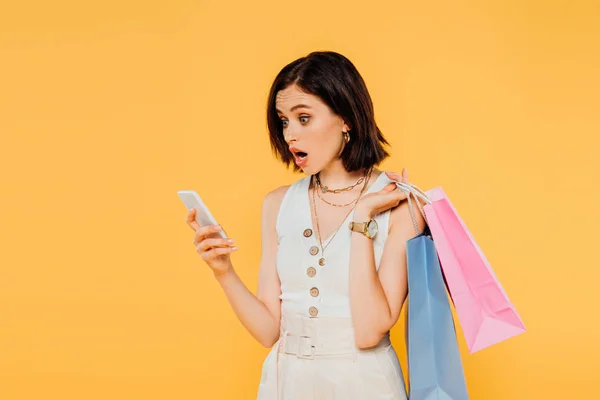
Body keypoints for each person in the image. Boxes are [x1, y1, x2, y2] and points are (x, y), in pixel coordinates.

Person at [185, 51, 427, 400]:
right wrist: (223, 271)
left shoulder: (401, 206)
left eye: (303, 118)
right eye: (284, 121)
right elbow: (269, 330)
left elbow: (369, 331)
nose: (290, 135)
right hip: (286, 383)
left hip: (364, 385)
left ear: (346, 119)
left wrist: (362, 219)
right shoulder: (277, 204)